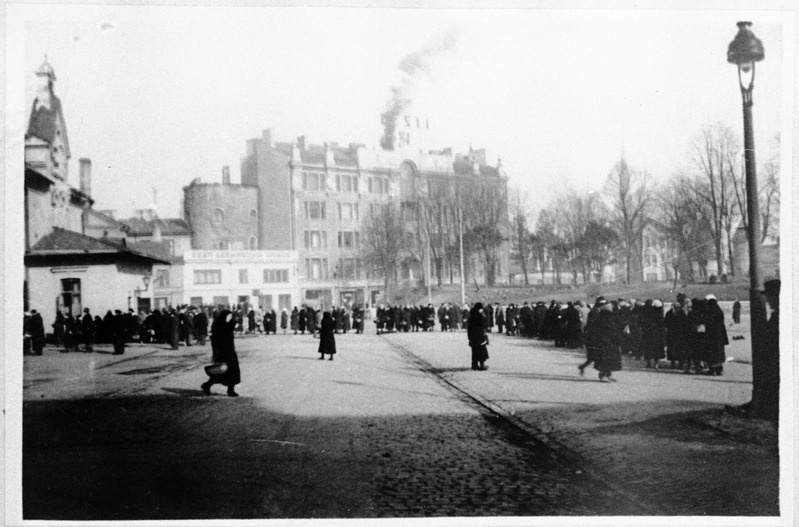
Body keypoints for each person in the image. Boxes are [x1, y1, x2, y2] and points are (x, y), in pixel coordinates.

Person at [202, 309, 241, 397]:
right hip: (222, 353)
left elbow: (233, 324)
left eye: (230, 316)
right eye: (228, 317)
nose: (229, 318)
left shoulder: (228, 324)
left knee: (233, 372)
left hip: (231, 352)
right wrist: (216, 353)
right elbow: (215, 341)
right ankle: (207, 385)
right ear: (224, 317)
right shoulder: (219, 326)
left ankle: (230, 390)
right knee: (221, 372)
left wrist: (234, 322)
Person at [592, 298, 621, 381]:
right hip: (605, 342)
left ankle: (608, 374)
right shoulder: (604, 318)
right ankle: (603, 375)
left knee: (609, 359)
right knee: (605, 359)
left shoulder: (606, 317)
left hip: (609, 342)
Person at [467, 303, 489, 371]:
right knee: (481, 350)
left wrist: (469, 337)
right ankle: (482, 365)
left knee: (474, 351)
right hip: (479, 336)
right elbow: (484, 323)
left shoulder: (472, 315)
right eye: (481, 308)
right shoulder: (478, 316)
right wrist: (483, 315)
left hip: (473, 336)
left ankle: (474, 365)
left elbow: (469, 328)